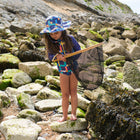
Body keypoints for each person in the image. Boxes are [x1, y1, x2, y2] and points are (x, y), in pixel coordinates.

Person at [40, 15, 81, 122]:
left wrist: (70, 56)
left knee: (73, 92)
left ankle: (73, 114)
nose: (54, 35)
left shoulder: (70, 39)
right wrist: (56, 57)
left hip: (73, 69)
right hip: (63, 70)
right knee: (64, 94)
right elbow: (50, 56)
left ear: (62, 30)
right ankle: (64, 115)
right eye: (51, 33)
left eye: (56, 32)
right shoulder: (51, 43)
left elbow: (79, 51)